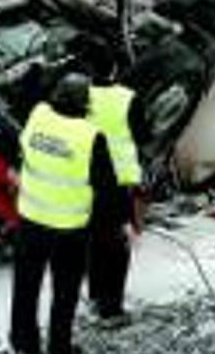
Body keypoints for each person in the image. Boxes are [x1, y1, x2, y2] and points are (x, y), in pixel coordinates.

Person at [9, 73, 120, 354]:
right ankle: (59, 347)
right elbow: (106, 189)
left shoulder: (38, 115)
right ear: (85, 104)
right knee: (65, 293)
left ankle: (24, 343)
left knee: (25, 287)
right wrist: (113, 226)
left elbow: (20, 147)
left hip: (31, 222)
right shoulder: (91, 137)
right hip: (69, 231)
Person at [83, 48, 146, 329]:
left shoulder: (80, 97)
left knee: (95, 237)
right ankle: (112, 308)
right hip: (120, 180)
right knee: (118, 244)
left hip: (84, 178)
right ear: (115, 70)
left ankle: (96, 295)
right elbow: (144, 135)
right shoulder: (127, 98)